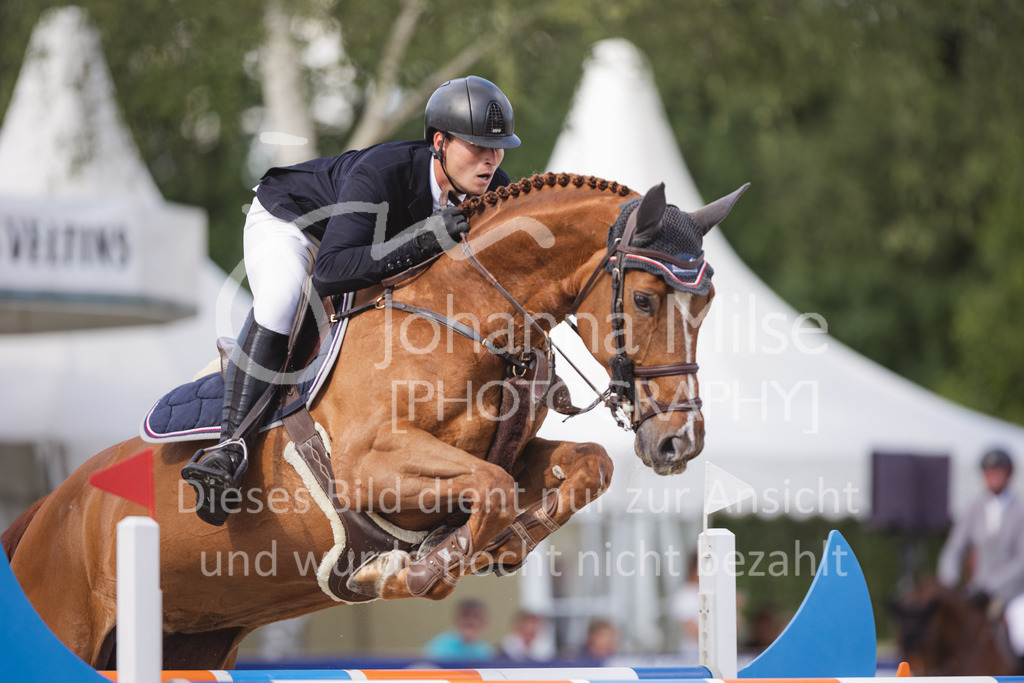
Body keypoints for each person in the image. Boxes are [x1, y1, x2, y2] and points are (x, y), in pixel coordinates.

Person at [181, 76, 520, 525]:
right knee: (285, 296)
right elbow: (330, 271)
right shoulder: (385, 172)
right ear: (440, 142)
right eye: (477, 147)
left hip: (360, 251)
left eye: (497, 148)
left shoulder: (494, 189)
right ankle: (229, 449)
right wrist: (423, 240)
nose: (490, 160)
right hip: (295, 226)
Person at [937, 448, 1024, 611]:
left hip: (1015, 594)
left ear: (1009, 473)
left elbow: (1021, 561)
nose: (994, 475)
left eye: (999, 470)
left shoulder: (1020, 510)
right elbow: (954, 548)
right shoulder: (974, 508)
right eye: (990, 471)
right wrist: (948, 581)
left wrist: (991, 585)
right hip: (977, 592)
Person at [423, 598, 496, 661]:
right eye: (465, 615)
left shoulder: (486, 651)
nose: (470, 620)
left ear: (484, 622)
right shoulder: (438, 647)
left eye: (475, 616)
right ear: (456, 620)